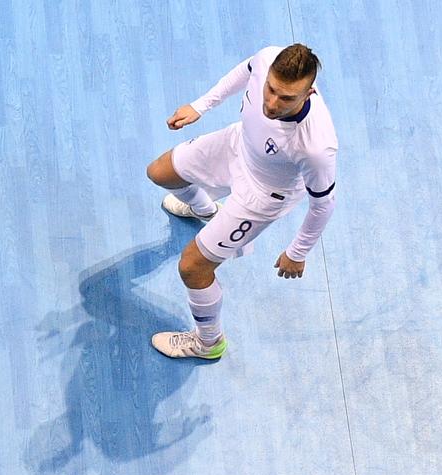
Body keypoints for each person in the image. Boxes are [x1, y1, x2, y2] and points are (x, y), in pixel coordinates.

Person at [145, 43, 339, 360]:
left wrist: (298, 251)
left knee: (192, 268)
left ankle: (208, 343)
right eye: (271, 90)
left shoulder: (316, 147)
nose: (272, 103)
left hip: (263, 195)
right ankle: (204, 208)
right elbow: (246, 69)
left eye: (286, 98)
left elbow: (324, 204)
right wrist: (201, 105)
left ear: (309, 94)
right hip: (238, 144)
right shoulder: (267, 59)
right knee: (161, 173)